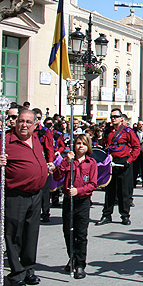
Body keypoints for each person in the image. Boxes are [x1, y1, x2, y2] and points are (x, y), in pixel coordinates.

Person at [0, 109, 54, 286]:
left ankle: (29, 269)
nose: (23, 124)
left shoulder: (37, 138)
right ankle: (16, 274)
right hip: (16, 195)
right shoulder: (5, 141)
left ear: (35, 125)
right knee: (14, 235)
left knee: (31, 234)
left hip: (36, 194)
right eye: (20, 121)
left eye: (28, 122)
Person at [52, 134, 97, 280]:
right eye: (78, 143)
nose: (80, 146)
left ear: (88, 146)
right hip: (69, 201)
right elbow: (56, 176)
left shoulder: (91, 163)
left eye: (83, 144)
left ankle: (80, 264)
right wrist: (66, 162)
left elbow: (92, 184)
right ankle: (72, 257)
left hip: (83, 201)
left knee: (81, 234)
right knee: (68, 232)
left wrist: (79, 191)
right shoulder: (68, 161)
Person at [96, 108, 140, 226]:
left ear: (121, 118)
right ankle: (106, 215)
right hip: (110, 162)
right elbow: (104, 145)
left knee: (123, 191)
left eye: (116, 116)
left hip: (123, 162)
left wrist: (129, 160)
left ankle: (125, 215)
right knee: (109, 191)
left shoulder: (128, 131)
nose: (113, 119)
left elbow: (137, 147)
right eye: (112, 117)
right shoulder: (107, 131)